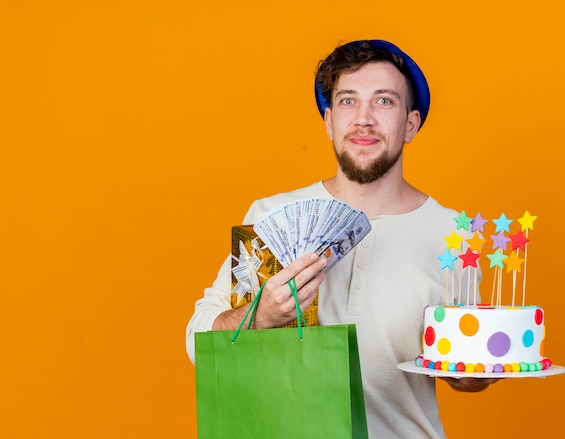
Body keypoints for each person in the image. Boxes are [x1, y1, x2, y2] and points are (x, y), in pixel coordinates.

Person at [186, 39, 497, 438]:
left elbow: (464, 369)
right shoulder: (271, 219)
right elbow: (198, 343)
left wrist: (473, 374)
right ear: (329, 121)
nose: (363, 119)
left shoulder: (455, 234)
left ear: (411, 124)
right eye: (349, 101)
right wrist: (260, 318)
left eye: (384, 101)